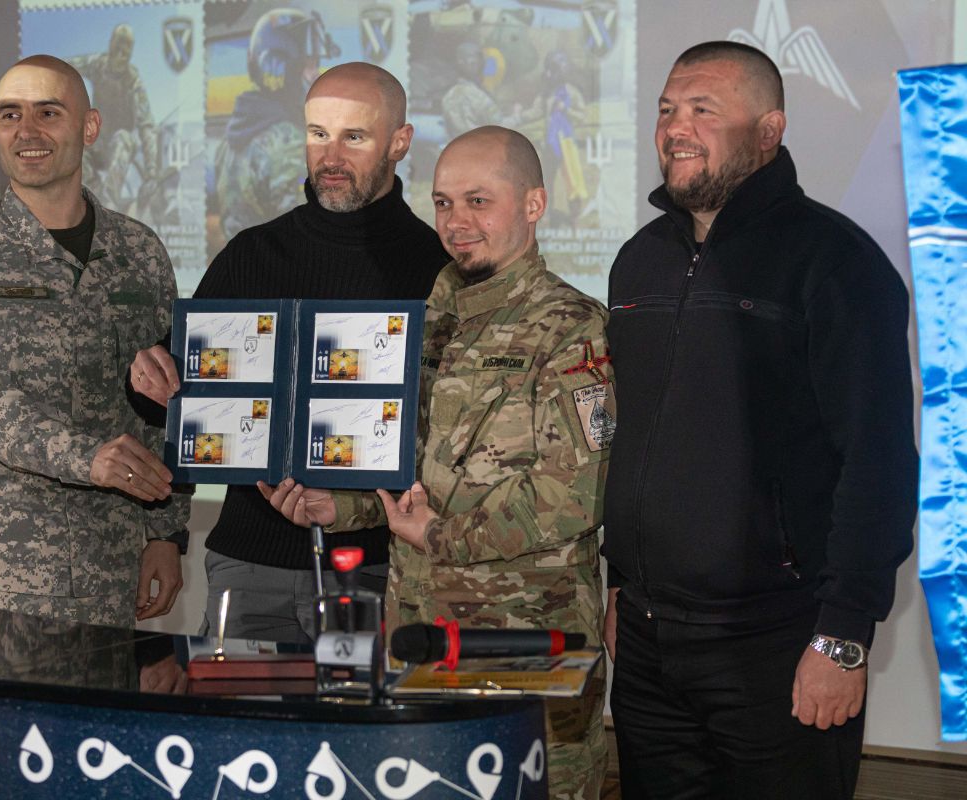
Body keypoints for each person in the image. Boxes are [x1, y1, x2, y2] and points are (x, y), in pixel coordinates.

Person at [602, 41, 917, 799]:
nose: (675, 128)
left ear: (769, 130)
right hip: (646, 644)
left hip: (780, 643)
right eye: (667, 110)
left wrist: (843, 635)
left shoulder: (836, 262)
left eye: (702, 110)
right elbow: (633, 440)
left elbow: (877, 462)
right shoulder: (637, 261)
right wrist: (620, 583)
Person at [264, 126, 614, 799]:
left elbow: (575, 496)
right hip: (419, 637)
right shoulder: (425, 319)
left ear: (534, 204)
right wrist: (343, 506)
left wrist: (441, 537)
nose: (456, 222)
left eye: (479, 201)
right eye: (444, 203)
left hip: (526, 649)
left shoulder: (571, 327)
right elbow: (410, 469)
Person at [128, 62, 448, 643]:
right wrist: (147, 377)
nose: (331, 156)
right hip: (249, 566)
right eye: (318, 133)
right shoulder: (251, 254)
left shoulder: (437, 269)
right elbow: (172, 402)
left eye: (354, 137)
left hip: (382, 571)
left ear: (400, 142)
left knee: (365, 711)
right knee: (236, 708)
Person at [0, 55, 189, 628]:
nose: (27, 131)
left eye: (48, 112)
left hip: (108, 560)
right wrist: (90, 458)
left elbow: (166, 405)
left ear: (89, 127)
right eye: (9, 115)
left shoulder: (139, 251)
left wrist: (167, 531)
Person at [212, 8, 338, 246]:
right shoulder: (289, 143)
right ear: (280, 69)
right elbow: (309, 238)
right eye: (309, 66)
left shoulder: (229, 141)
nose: (316, 75)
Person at [69, 24, 160, 208]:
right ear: (110, 45)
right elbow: (66, 66)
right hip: (98, 143)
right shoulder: (97, 65)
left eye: (126, 50)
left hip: (121, 147)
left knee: (123, 137)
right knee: (76, 139)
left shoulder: (133, 82)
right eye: (118, 46)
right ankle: (91, 194)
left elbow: (147, 126)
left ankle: (108, 202)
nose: (121, 54)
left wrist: (151, 172)